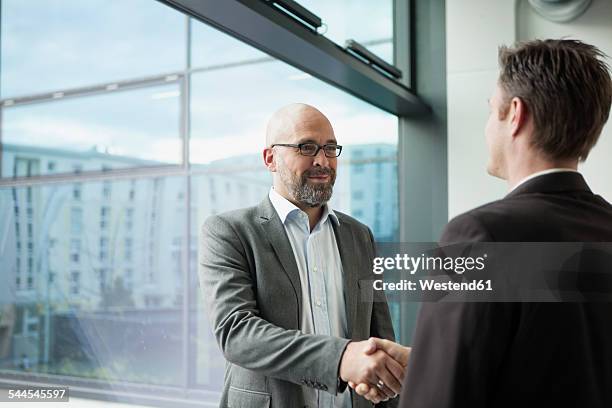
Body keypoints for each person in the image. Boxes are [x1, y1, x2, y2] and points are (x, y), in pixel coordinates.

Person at [356, 39, 612, 407]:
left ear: (516, 115)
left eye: (492, 110)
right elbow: (570, 362)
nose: (488, 125)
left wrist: (436, 371)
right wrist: (430, 361)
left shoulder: (482, 235)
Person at [199, 103, 405, 408]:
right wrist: (340, 359)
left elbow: (379, 335)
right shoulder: (229, 231)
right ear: (270, 159)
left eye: (331, 148)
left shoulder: (359, 235)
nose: (322, 160)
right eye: (306, 147)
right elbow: (237, 333)